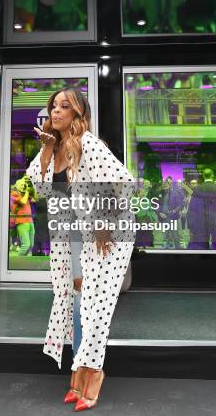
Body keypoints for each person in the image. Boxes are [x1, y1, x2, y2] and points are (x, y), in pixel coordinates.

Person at [26, 87, 136, 411]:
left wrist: (104, 221)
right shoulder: (53, 147)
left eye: (63, 106)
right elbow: (41, 187)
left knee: (96, 306)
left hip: (108, 231)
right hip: (73, 233)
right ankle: (78, 371)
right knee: (72, 300)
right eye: (52, 107)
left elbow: (123, 181)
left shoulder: (87, 143)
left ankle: (94, 374)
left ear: (77, 113)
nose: (55, 112)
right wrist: (46, 151)